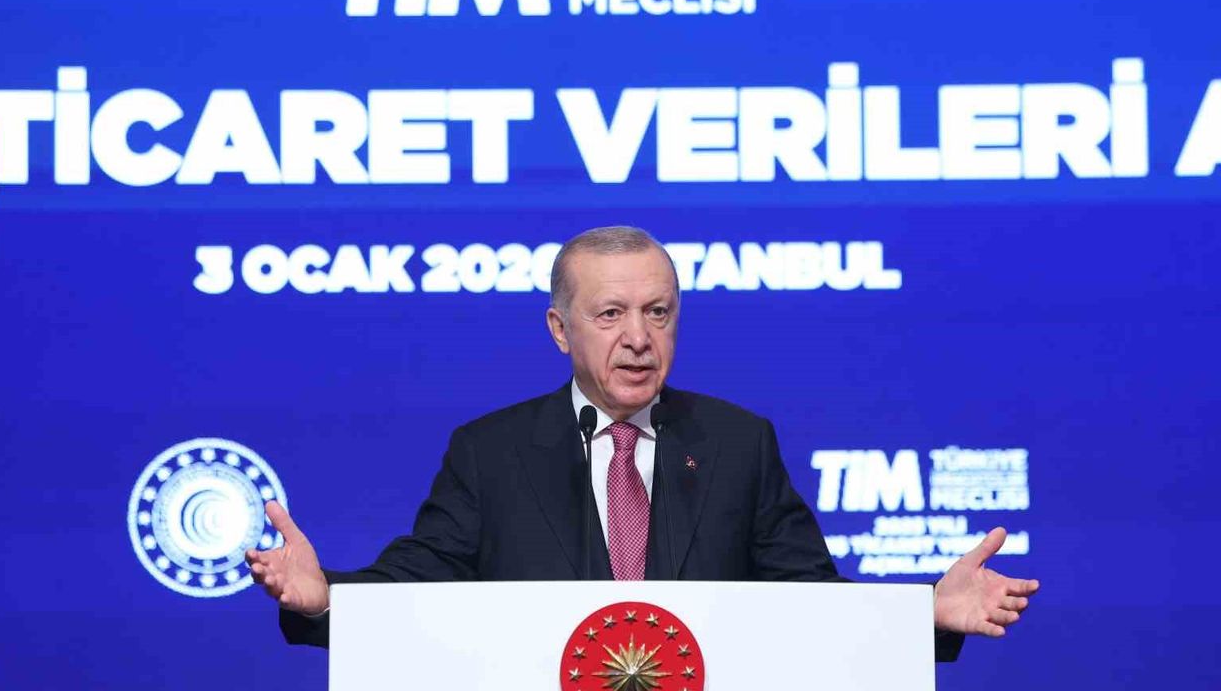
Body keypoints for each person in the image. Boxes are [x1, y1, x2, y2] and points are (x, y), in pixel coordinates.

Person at [247, 226, 1039, 659]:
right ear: (560, 330)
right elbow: (417, 589)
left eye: (658, 313)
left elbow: (811, 606)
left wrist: (926, 614)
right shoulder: (490, 453)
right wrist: (326, 598)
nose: (638, 338)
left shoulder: (737, 443)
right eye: (611, 315)